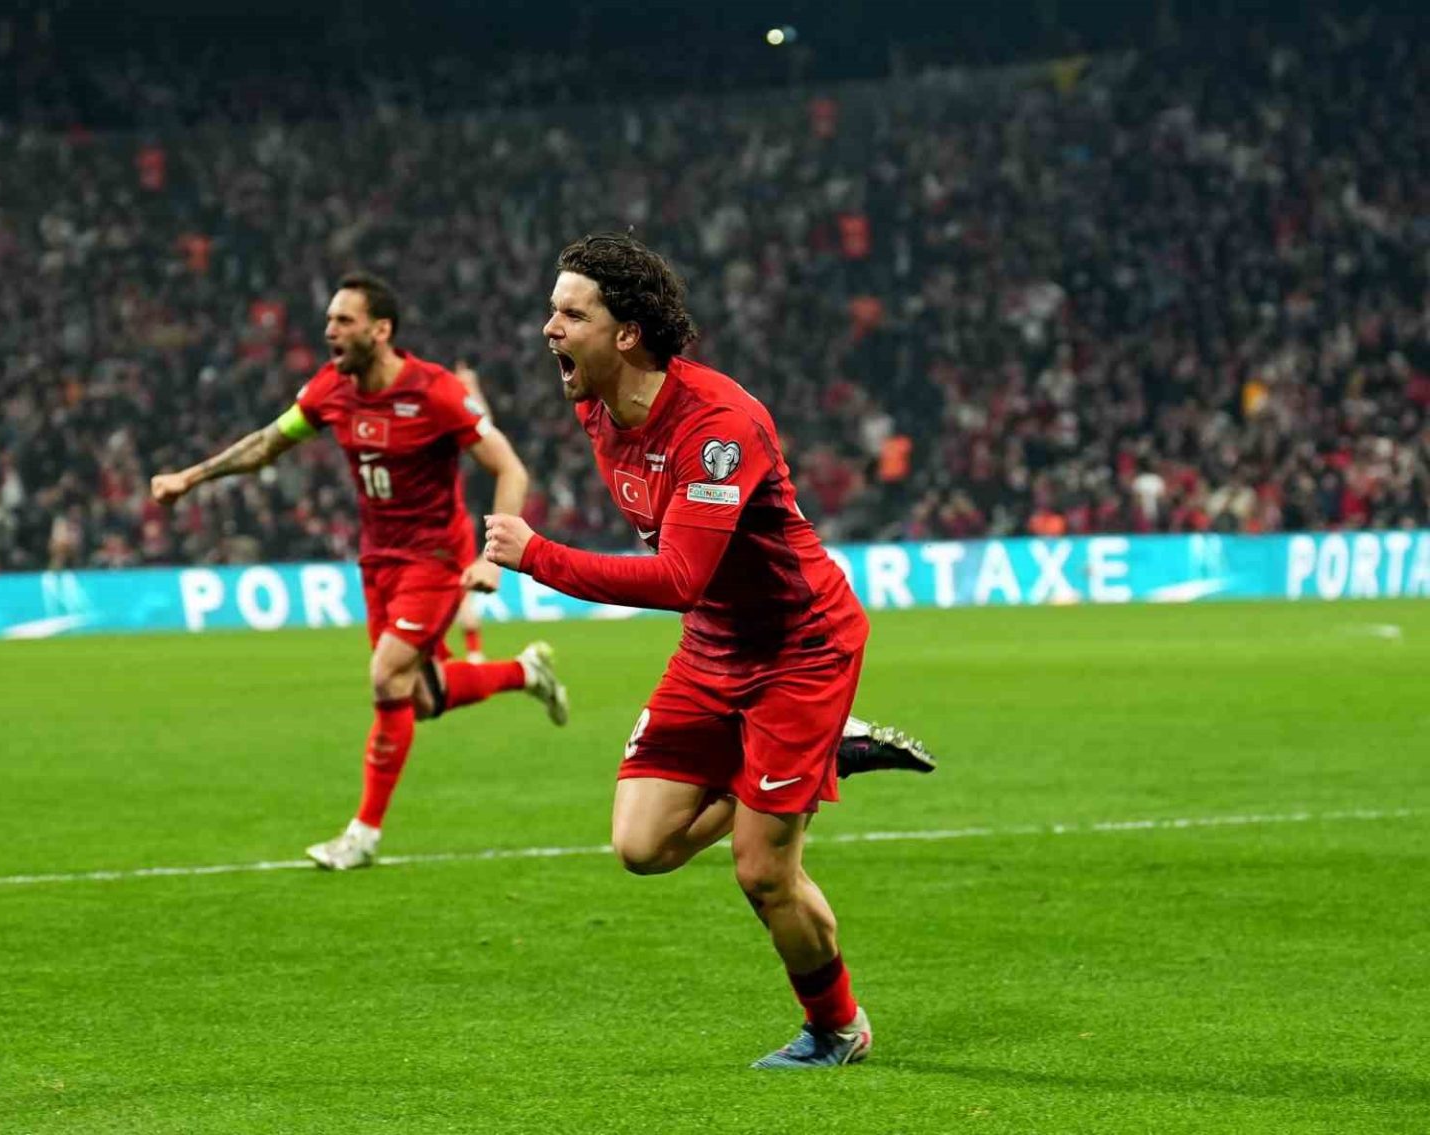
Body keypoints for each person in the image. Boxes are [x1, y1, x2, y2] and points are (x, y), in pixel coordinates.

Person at [484, 234, 933, 1070]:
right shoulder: (595, 405)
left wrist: (538, 555)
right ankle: (825, 756)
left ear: (627, 333)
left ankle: (837, 1027)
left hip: (801, 648)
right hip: (714, 648)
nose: (549, 328)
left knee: (763, 871)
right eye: (552, 310)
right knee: (642, 846)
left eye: (571, 313)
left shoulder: (717, 426)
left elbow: (682, 575)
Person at [152, 272, 568, 870]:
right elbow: (268, 443)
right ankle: (525, 672)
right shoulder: (331, 388)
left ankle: (363, 835)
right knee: (418, 697)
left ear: (380, 330)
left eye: (343, 321)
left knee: (386, 675)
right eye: (329, 320)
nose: (330, 330)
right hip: (378, 561)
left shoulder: (435, 392)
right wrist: (190, 478)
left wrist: (491, 556)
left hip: (436, 557)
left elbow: (511, 469)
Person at [451, 360, 493, 662]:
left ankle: (474, 654)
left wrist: (470, 389)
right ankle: (473, 653)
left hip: (452, 524)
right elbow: (484, 425)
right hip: (455, 522)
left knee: (457, 591)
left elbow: (483, 426)